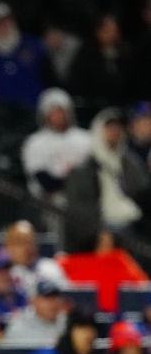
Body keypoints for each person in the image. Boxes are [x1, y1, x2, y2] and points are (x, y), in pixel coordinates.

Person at [64, 107, 151, 254]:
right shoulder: (84, 168)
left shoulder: (131, 163)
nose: (114, 132)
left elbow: (143, 195)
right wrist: (99, 230)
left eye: (118, 128)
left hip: (133, 224)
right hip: (99, 227)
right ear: (98, 130)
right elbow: (78, 207)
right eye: (109, 127)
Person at [20, 88, 91, 202]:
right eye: (53, 112)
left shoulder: (86, 139)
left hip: (82, 200)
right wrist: (70, 180)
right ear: (45, 115)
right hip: (47, 202)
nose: (58, 116)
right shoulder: (34, 143)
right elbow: (44, 180)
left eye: (61, 111)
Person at [2, 279, 67, 343]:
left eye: (56, 298)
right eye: (47, 298)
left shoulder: (67, 323)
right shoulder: (18, 329)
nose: (53, 303)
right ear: (33, 301)